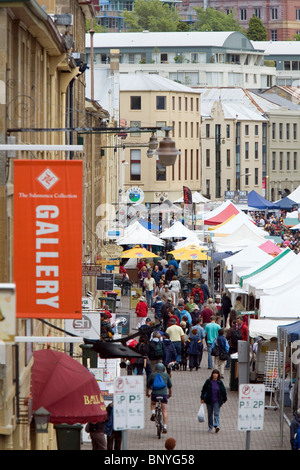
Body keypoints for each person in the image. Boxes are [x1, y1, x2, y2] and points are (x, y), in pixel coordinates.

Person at [146, 363, 172, 434]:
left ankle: (153, 413)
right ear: (163, 369)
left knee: (152, 403)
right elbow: (170, 386)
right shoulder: (166, 375)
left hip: (155, 395)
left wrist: (147, 393)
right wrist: (169, 394)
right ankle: (165, 426)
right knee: (164, 410)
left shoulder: (152, 375)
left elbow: (147, 386)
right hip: (163, 395)